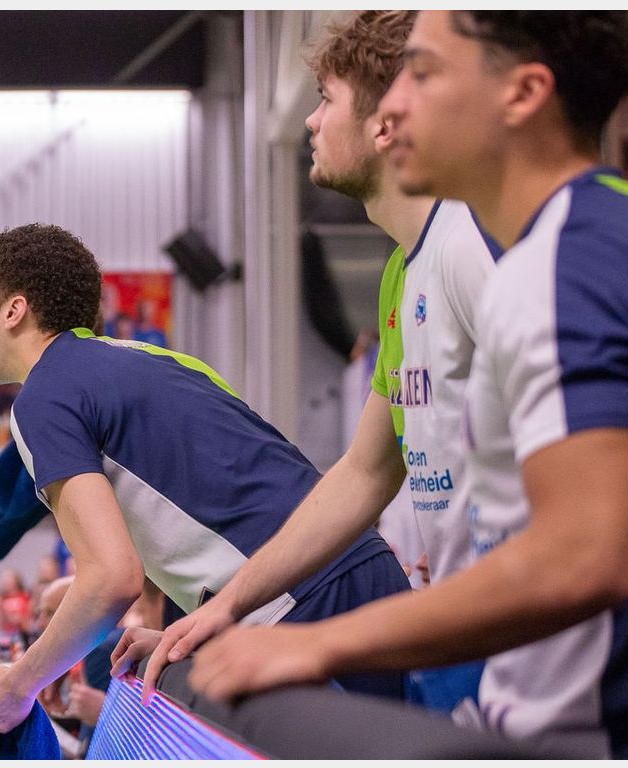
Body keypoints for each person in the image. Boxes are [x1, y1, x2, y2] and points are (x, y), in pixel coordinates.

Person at [189, 11, 628, 759]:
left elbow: (579, 557)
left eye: (425, 74)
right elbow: (369, 469)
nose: (397, 105)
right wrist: (241, 601)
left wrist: (319, 643)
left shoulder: (563, 265)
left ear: (522, 94)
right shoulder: (616, 239)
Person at [118, 10, 499, 712]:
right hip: (464, 638)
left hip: (537, 645)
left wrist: (318, 643)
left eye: (326, 99)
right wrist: (227, 606)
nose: (312, 122)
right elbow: (364, 473)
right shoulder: (402, 273)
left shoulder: (474, 245)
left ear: (385, 124)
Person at [0, 223, 410, 735]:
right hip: (363, 566)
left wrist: (19, 684)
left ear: (14, 310)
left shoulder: (43, 397)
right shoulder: (159, 358)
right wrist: (192, 632)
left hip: (298, 600)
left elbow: (111, 578)